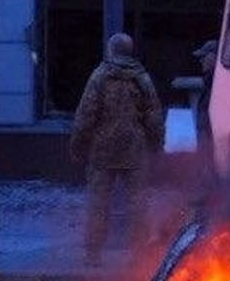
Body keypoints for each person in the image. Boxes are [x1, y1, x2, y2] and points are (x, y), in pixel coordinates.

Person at [68, 32, 165, 265]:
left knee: (98, 204)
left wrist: (77, 146)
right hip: (135, 151)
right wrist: (157, 146)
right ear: (130, 51)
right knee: (137, 205)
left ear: (111, 50)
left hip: (102, 151)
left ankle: (93, 255)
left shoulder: (99, 77)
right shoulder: (142, 79)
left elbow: (85, 115)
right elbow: (154, 116)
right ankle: (139, 255)